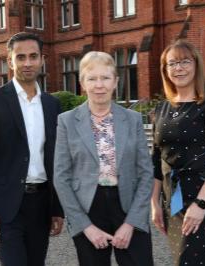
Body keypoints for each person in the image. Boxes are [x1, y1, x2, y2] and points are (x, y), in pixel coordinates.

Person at [0, 32, 64, 266]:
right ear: (10, 61)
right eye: (20, 57)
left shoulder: (52, 105)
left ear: (42, 59)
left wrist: (57, 208)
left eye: (33, 56)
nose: (27, 63)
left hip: (41, 204)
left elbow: (56, 160)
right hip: (6, 206)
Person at [53, 51, 154, 266]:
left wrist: (131, 224)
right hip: (88, 209)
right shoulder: (67, 121)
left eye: (106, 78)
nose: (99, 85)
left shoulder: (133, 119)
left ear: (116, 81)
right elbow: (61, 178)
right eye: (92, 78)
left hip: (128, 204)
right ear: (82, 82)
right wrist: (85, 227)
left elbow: (145, 173)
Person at [150, 39, 205, 266]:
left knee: (198, 260)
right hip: (172, 199)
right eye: (172, 63)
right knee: (180, 259)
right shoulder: (161, 108)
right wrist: (154, 202)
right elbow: (157, 159)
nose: (179, 68)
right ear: (165, 70)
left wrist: (201, 204)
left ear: (196, 64)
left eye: (185, 61)